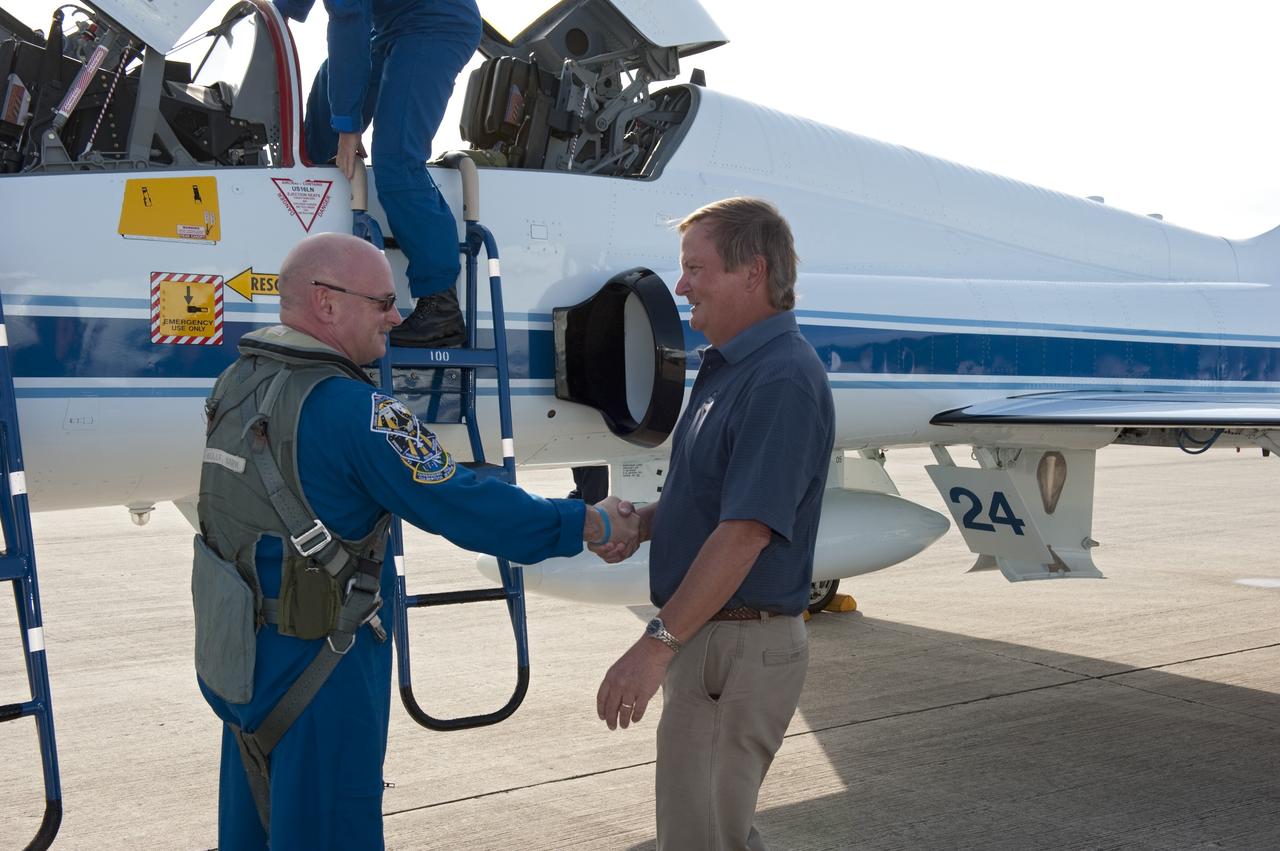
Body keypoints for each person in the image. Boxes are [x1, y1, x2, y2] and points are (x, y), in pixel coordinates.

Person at [192, 232, 637, 850]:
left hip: (241, 669)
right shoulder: (358, 411)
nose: (398, 317)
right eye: (382, 302)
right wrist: (588, 523)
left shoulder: (234, 386)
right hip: (324, 676)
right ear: (327, 303)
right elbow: (461, 503)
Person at [591, 198, 835, 850]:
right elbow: (711, 499)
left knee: (704, 838)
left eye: (696, 268)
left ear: (752, 273)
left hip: (740, 649)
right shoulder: (727, 367)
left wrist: (655, 643)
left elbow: (746, 532)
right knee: (700, 833)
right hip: (709, 641)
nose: (681, 286)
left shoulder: (781, 378)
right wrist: (640, 524)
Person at [274, 0, 481, 347]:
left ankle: (439, 305)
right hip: (389, 22)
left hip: (436, 22)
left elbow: (349, 18)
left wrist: (348, 125)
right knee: (330, 83)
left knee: (397, 158)